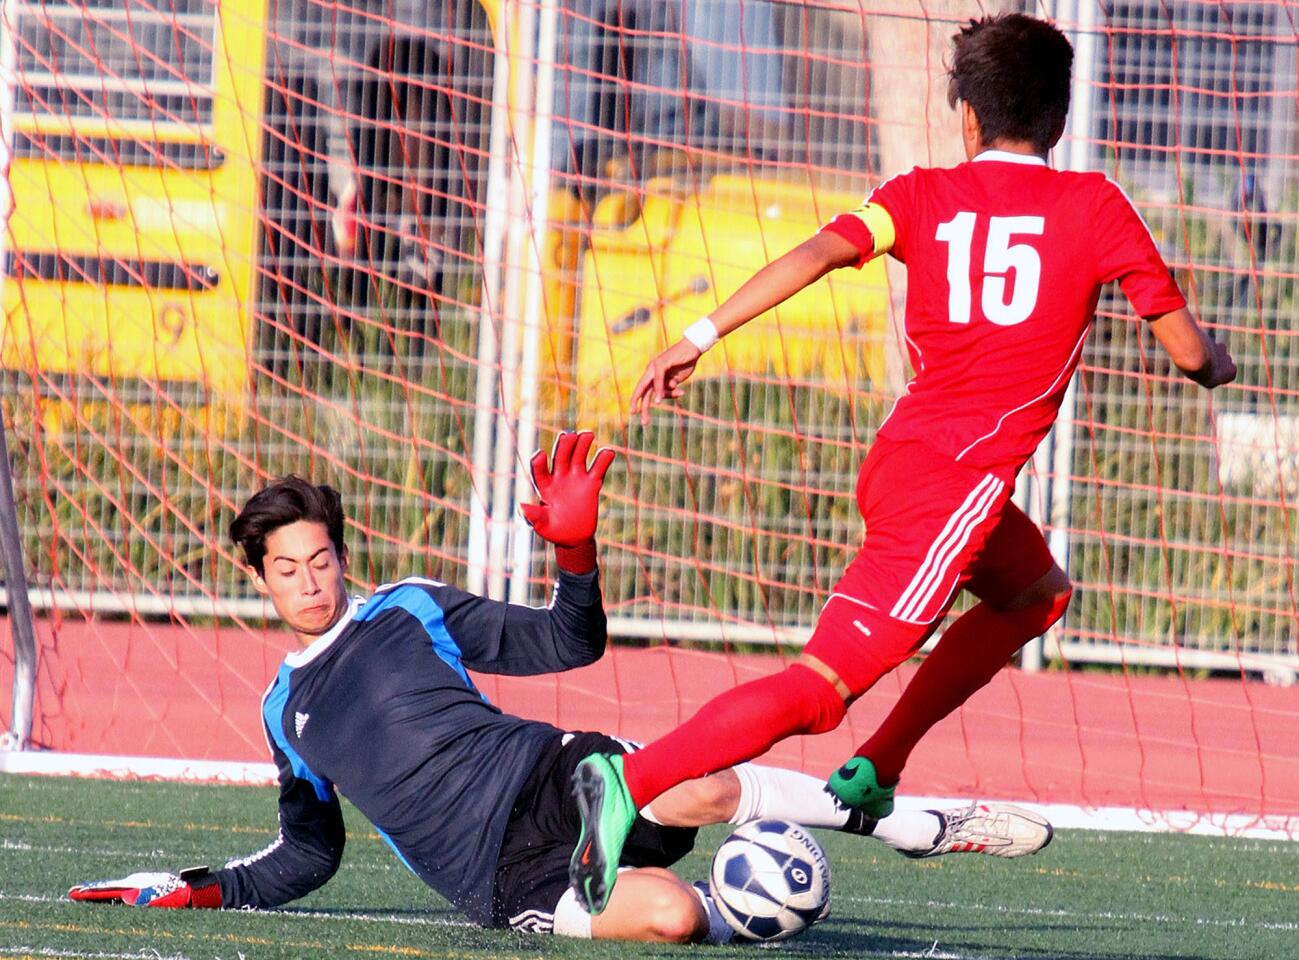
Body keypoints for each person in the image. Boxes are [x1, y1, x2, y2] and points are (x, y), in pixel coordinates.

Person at [568, 13, 1237, 915]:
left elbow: (813, 253)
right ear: (1061, 118)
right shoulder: (1096, 207)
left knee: (1035, 595)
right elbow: (1191, 356)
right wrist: (1221, 362)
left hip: (906, 461)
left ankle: (877, 768)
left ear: (965, 114)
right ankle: (628, 780)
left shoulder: (919, 193)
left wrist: (698, 334)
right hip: (951, 490)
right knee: (818, 692)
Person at [65, 431, 1053, 944]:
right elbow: (309, 854)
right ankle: (759, 906)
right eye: (287, 569)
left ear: (340, 554)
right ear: (260, 578)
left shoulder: (408, 607)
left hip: (559, 778)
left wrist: (575, 552)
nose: (310, 580)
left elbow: (568, 643)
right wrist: (201, 891)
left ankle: (906, 823)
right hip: (503, 878)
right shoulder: (287, 712)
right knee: (668, 917)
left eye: (320, 558)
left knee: (702, 784)